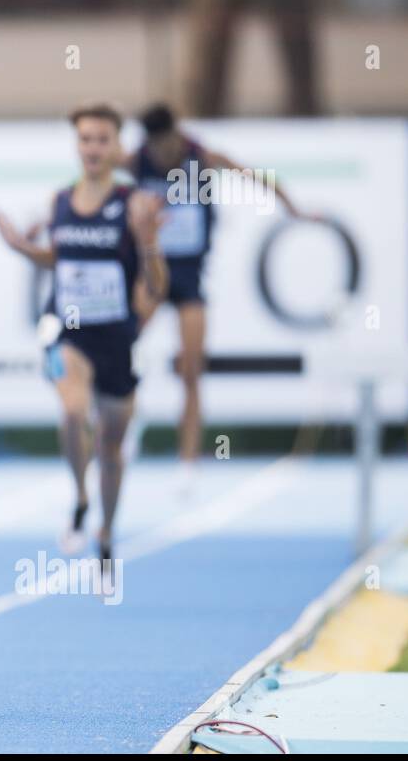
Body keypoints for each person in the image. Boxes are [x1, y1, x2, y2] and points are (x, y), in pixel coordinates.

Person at [0, 103, 166, 565]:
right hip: (69, 331)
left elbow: (158, 285)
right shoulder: (60, 201)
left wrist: (148, 242)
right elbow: (60, 259)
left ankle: (106, 531)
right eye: (86, 139)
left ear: (116, 147)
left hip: (117, 338)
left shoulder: (135, 204)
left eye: (102, 139)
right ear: (77, 145)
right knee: (72, 411)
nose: (93, 148)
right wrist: (23, 249)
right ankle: (80, 495)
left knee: (111, 445)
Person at [126, 104, 314, 485]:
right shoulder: (136, 162)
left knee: (192, 369)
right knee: (118, 349)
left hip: (189, 275)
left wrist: (294, 210)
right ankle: (126, 426)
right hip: (151, 273)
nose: (162, 158)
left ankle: (188, 462)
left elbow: (260, 179)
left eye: (166, 148)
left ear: (176, 135)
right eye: (156, 151)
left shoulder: (205, 157)